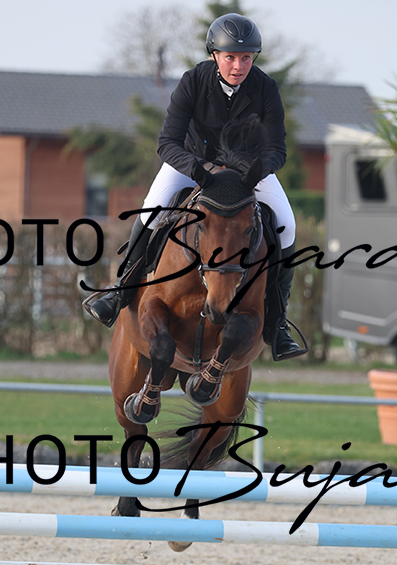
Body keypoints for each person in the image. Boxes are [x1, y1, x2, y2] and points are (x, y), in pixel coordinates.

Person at [86, 12, 303, 360]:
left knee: (286, 225)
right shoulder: (193, 81)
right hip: (192, 166)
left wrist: (251, 172)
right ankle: (120, 291)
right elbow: (167, 143)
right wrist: (201, 168)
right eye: (230, 57)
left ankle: (278, 324)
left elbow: (277, 149)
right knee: (153, 210)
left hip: (246, 174)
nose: (238, 66)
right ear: (214, 55)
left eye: (246, 57)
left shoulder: (266, 88)